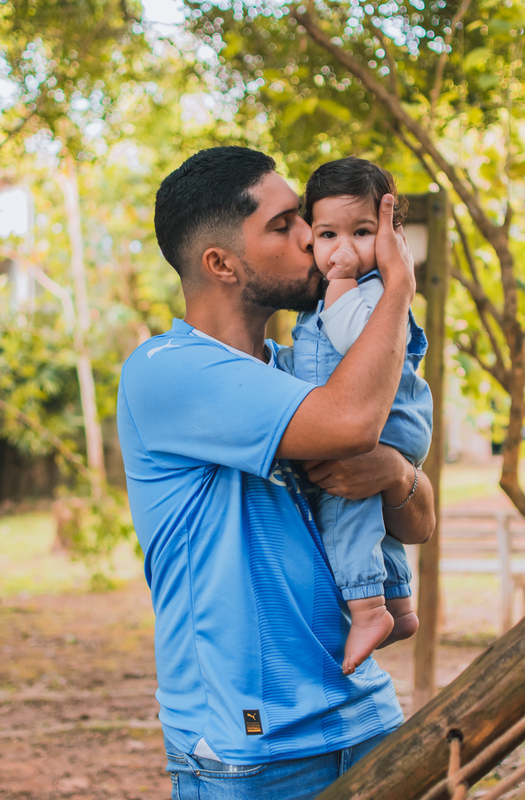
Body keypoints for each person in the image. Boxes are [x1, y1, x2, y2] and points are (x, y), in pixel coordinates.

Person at [117, 146, 435, 798]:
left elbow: (421, 518)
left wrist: (396, 472)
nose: (311, 239)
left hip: (366, 716)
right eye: (285, 224)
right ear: (221, 264)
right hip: (252, 749)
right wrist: (397, 285)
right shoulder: (167, 371)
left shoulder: (301, 372)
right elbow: (351, 424)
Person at [288, 158, 432, 676]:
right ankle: (399, 604)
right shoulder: (347, 291)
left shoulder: (367, 291)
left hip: (385, 423)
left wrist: (346, 281)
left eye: (363, 232)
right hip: (397, 426)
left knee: (345, 503)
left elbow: (355, 342)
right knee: (374, 519)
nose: (343, 248)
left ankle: (367, 609)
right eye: (328, 234)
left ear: (391, 238)